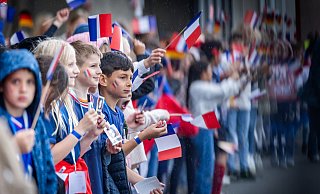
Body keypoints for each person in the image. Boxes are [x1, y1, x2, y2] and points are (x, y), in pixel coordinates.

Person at [99, 51, 167, 194]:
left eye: (130, 77)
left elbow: (118, 163)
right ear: (103, 80)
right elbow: (114, 155)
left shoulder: (117, 114)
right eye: (123, 78)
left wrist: (142, 182)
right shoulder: (100, 112)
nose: (129, 83)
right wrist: (142, 136)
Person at [0, 50, 56, 194]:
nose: (23, 89)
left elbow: (48, 170)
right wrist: (13, 146)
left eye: (30, 82)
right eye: (15, 81)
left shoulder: (36, 123)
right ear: (2, 84)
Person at [186, 60, 246, 194]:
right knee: (204, 168)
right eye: (208, 70)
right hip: (201, 128)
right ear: (202, 73)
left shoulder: (201, 85)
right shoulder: (197, 86)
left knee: (207, 167)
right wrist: (232, 78)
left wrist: (241, 79)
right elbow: (220, 91)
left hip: (207, 127)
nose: (211, 73)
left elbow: (222, 95)